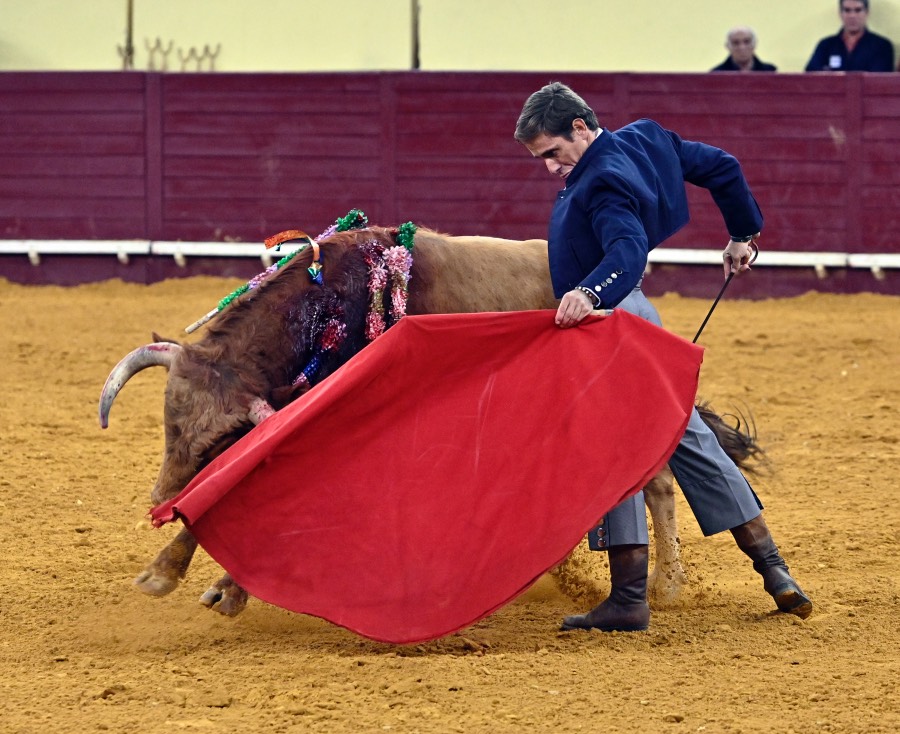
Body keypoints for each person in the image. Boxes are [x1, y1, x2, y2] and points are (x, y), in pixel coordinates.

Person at [514, 82, 813, 633]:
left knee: (617, 449)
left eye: (552, 152)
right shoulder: (646, 139)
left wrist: (590, 293)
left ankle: (629, 598)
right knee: (686, 432)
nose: (550, 167)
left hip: (612, 322)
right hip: (636, 316)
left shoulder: (599, 180)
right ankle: (776, 573)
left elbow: (626, 250)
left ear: (580, 127)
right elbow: (722, 166)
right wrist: (742, 232)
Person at [805, 0, 895, 71]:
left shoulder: (882, 46)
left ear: (867, 13)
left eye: (858, 10)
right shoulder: (826, 45)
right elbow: (810, 78)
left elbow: (881, 83)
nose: (852, 16)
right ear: (840, 14)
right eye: (847, 10)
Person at [711, 26, 777, 72]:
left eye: (747, 42)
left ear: (755, 44)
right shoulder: (716, 75)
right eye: (736, 43)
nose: (742, 47)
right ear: (727, 46)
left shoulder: (769, 72)